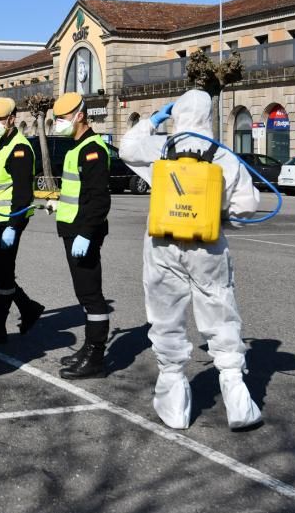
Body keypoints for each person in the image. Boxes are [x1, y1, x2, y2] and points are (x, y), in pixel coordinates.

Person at [119, 89, 263, 430]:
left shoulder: (162, 148)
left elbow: (125, 147)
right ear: (209, 117)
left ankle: (174, 403)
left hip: (162, 243)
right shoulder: (223, 155)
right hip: (208, 245)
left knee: (166, 315)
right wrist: (221, 217)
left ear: (178, 114)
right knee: (220, 310)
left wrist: (153, 119)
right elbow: (248, 207)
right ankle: (237, 396)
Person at [46, 92, 113, 379]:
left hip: (84, 233)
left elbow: (99, 200)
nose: (58, 123)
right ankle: (89, 348)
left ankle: (96, 357)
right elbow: (80, 193)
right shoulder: (76, 148)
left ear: (80, 116)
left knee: (91, 295)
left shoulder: (93, 150)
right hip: (73, 230)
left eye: (62, 118)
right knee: (84, 295)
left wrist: (86, 233)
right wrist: (59, 204)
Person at [0, 97, 45, 345]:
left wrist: (13, 227)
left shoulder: (20, 148)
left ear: (12, 118)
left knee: (3, 271)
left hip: (10, 220)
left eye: (0, 119)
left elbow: (23, 193)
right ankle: (26, 306)